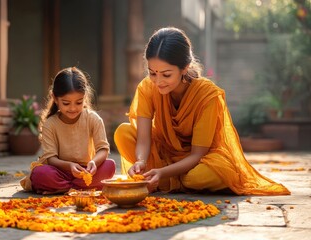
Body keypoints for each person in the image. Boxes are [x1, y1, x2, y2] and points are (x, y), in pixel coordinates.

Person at [114, 27, 290, 195]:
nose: (158, 81)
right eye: (153, 73)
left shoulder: (207, 95)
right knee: (123, 132)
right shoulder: (147, 87)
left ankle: (168, 179)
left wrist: (162, 172)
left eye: (166, 75)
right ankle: (166, 178)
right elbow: (143, 140)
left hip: (201, 159)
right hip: (165, 154)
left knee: (198, 178)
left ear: (184, 68)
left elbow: (197, 154)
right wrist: (141, 162)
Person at [20, 67, 115, 194]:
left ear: (85, 97)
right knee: (39, 173)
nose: (73, 108)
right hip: (60, 171)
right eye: (66, 103)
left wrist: (94, 162)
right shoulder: (51, 124)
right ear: (55, 97)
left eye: (78, 102)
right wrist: (69, 166)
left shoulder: (93, 119)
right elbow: (51, 159)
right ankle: (77, 187)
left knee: (110, 166)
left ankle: (63, 188)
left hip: (86, 171)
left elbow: (103, 149)